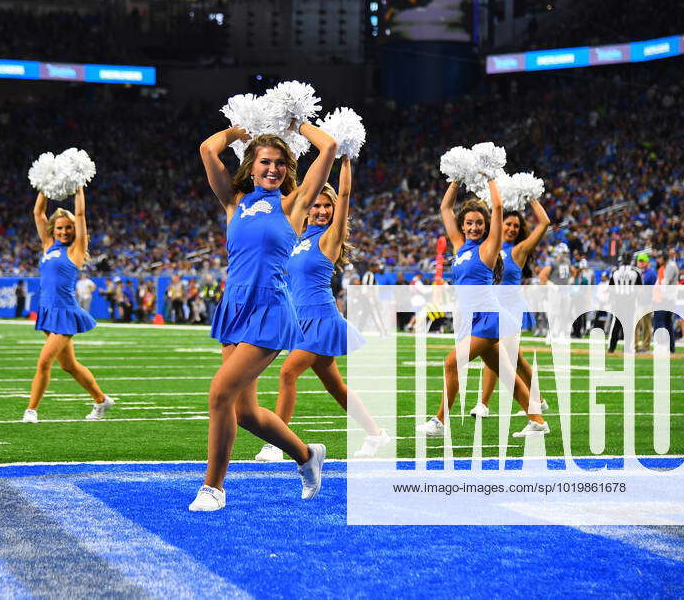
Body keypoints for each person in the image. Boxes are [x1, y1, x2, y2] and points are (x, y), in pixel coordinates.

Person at [189, 123, 337, 512]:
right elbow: (208, 148)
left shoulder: (293, 204)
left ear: (288, 169)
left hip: (269, 308)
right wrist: (240, 130)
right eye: (265, 162)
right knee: (245, 411)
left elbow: (330, 147)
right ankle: (306, 454)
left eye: (279, 164)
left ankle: (213, 489)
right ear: (251, 167)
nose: (272, 169)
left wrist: (296, 122)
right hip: (234, 306)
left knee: (220, 392)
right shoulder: (234, 200)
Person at [254, 156, 390, 462]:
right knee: (336, 387)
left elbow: (344, 196)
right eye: (315, 205)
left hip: (322, 319)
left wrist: (344, 160)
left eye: (326, 206)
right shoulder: (299, 239)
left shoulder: (330, 238)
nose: (321, 210)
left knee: (288, 373)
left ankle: (277, 442)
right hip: (300, 321)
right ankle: (376, 434)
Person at [416, 180, 549, 438]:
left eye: (479, 223)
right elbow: (445, 208)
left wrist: (489, 178)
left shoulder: (488, 248)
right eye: (469, 223)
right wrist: (455, 179)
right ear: (462, 225)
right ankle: (537, 421)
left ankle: (440, 421)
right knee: (506, 372)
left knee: (451, 362)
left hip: (488, 317)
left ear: (486, 226)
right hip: (469, 318)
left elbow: (497, 207)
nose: (474, 227)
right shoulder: (459, 246)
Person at [23, 190, 114, 423]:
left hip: (65, 313)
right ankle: (101, 400)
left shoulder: (76, 249)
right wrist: (45, 186)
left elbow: (81, 213)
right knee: (69, 365)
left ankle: (31, 410)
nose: (64, 231)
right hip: (46, 311)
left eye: (68, 227)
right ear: (53, 230)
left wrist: (79, 188)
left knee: (44, 361)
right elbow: (38, 212)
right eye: (60, 228)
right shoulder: (48, 245)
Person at [470, 200, 551, 418]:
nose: (512, 229)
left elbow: (544, 223)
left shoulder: (519, 250)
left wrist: (532, 196)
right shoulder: (489, 245)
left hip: (510, 310)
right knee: (514, 359)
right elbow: (481, 218)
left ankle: (483, 404)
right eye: (508, 224)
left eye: (516, 226)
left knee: (497, 354)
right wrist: (485, 201)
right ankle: (539, 400)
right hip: (491, 308)